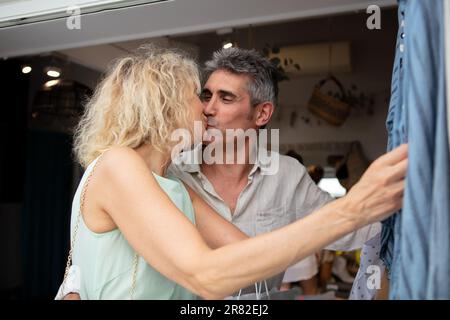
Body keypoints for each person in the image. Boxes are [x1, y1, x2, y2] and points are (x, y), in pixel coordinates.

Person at [58, 46, 407, 300]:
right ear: (166, 106)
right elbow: (208, 274)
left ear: (262, 114)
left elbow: (246, 253)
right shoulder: (121, 164)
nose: (206, 108)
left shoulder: (171, 184)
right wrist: (353, 207)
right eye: (200, 95)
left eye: (221, 98)